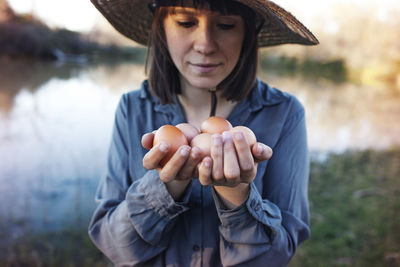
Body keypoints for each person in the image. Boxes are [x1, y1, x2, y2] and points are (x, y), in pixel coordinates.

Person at [88, 0, 319, 266]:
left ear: (248, 32)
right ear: (160, 27)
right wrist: (166, 186)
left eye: (225, 25)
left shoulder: (284, 113)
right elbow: (113, 244)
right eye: (186, 22)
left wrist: (237, 195)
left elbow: (278, 254)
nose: (205, 45)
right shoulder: (132, 108)